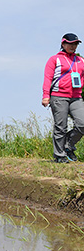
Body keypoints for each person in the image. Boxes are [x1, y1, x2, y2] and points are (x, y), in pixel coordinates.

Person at [42, 33, 84, 163]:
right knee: (61, 127)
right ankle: (59, 156)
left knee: (82, 123)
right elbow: (48, 78)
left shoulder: (81, 61)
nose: (73, 46)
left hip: (76, 97)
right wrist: (45, 96)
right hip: (58, 96)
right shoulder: (54, 59)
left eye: (75, 44)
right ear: (63, 44)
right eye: (70, 44)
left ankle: (67, 145)